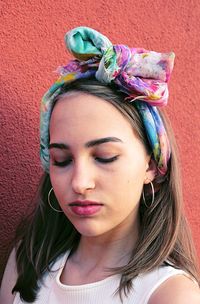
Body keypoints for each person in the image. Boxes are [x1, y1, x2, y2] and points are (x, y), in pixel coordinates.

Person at [0, 26, 200, 304]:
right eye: (62, 160)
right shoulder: (26, 264)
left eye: (105, 156)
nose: (79, 182)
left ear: (152, 165)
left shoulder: (169, 295)